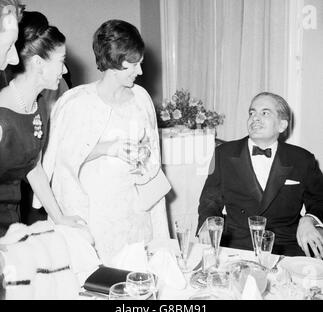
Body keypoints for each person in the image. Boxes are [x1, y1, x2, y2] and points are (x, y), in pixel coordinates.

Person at [33, 19, 170, 265]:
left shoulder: (141, 98)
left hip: (136, 212)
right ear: (114, 61)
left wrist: (144, 159)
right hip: (96, 216)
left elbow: (154, 156)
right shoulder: (77, 102)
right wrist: (109, 148)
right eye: (134, 64)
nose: (140, 72)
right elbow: (63, 164)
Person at [197, 92, 323, 258]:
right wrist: (209, 221)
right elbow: (210, 199)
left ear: (282, 125)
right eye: (252, 112)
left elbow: (319, 201)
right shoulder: (223, 154)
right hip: (236, 245)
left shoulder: (302, 159)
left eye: (265, 113)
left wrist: (309, 219)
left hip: (286, 247)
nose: (255, 118)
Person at [0, 9, 88, 236]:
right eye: (61, 61)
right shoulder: (2, 114)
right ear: (39, 62)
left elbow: (33, 166)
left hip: (14, 224)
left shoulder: (38, 107)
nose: (66, 69)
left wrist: (59, 217)